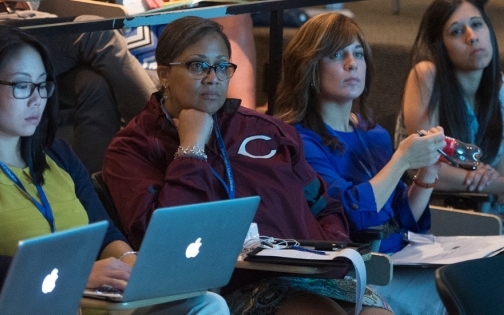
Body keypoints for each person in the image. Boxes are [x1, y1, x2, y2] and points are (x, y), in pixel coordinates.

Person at [103, 15, 393, 314]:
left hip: (308, 274)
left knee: (377, 313)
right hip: (224, 287)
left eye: (222, 66)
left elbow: (325, 206)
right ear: (164, 73)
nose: (213, 78)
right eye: (198, 65)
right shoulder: (132, 149)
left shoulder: (266, 130)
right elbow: (164, 244)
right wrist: (190, 150)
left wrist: (329, 255)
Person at [0, 22, 227, 314]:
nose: (37, 98)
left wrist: (136, 270)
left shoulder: (58, 155)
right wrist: (73, 276)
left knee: (207, 303)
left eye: (43, 85)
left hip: (90, 301)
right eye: (21, 85)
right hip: (21, 306)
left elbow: (104, 233)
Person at [273, 12, 448, 315]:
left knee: (478, 276)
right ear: (309, 67)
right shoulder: (298, 140)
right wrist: (402, 159)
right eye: (337, 54)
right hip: (355, 274)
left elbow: (401, 217)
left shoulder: (373, 133)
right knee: (457, 291)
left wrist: (426, 173)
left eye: (358, 54)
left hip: (400, 260)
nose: (352, 64)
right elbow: (351, 215)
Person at [0, 0, 158, 175]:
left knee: (92, 82)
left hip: (31, 14)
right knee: (98, 32)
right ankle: (157, 130)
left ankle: (94, 188)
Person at [394, 0, 504, 201]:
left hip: (487, 215)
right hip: (429, 212)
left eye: (477, 24)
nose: (472, 37)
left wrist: (493, 183)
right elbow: (427, 167)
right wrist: (493, 184)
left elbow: (498, 172)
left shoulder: (500, 87)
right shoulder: (426, 75)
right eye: (456, 32)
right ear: (440, 46)